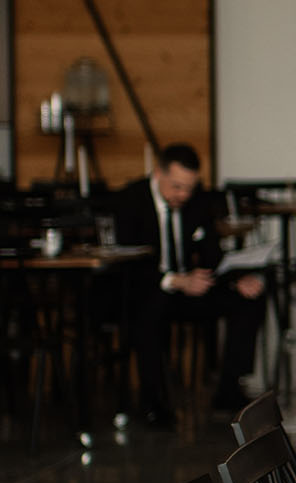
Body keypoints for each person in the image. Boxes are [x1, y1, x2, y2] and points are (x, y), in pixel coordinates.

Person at [111, 143, 267, 426]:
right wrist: (173, 280)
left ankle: (229, 389)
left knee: (250, 297)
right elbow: (127, 263)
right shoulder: (129, 200)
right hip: (145, 288)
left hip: (188, 289)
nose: (182, 195)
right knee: (149, 309)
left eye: (188, 188)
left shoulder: (196, 201)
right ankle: (153, 402)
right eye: (177, 187)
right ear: (158, 174)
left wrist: (235, 279)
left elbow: (212, 253)